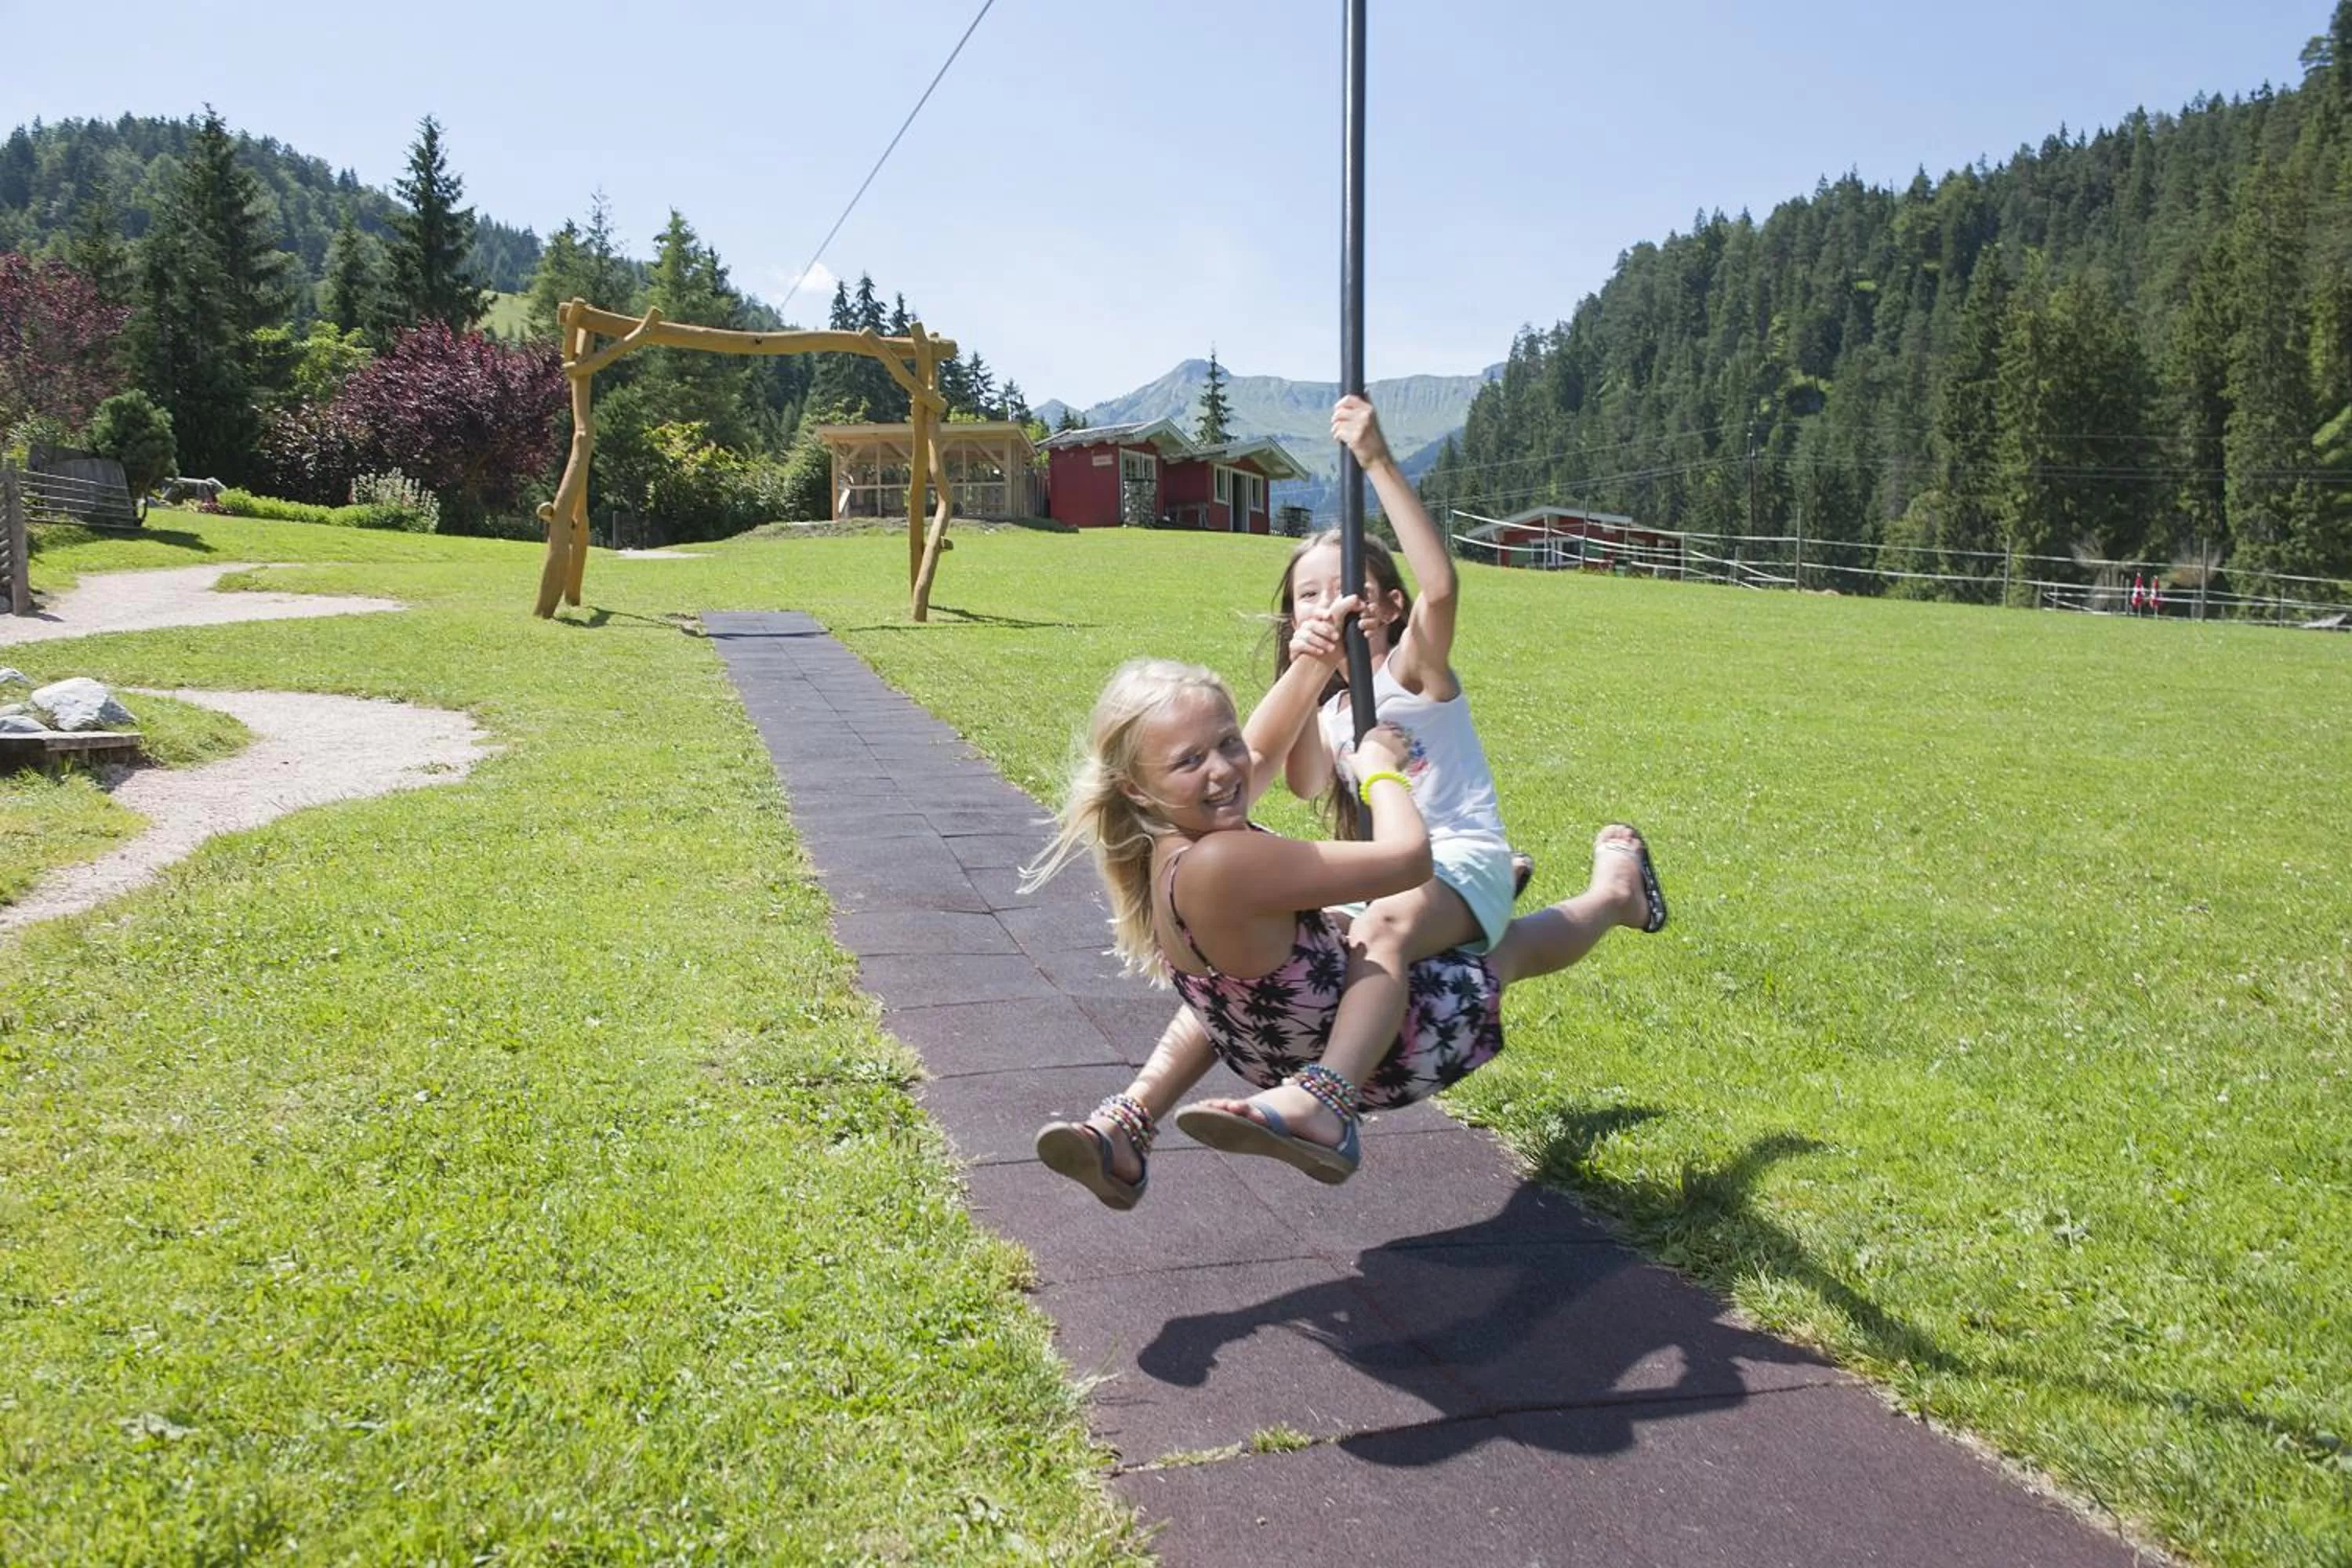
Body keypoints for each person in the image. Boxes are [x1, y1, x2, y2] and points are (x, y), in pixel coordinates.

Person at [1025, 643, 1668, 1203]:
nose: (1223, 768)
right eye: (1190, 761)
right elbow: (1408, 860)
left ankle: (1127, 1124)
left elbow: (1261, 752)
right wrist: (1379, 769)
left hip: (1264, 1039)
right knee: (1506, 948)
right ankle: (1616, 894)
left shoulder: (1157, 846)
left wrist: (1315, 660)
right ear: (1137, 787)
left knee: (1249, 971)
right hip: (1385, 1044)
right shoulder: (1224, 860)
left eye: (1226, 743)